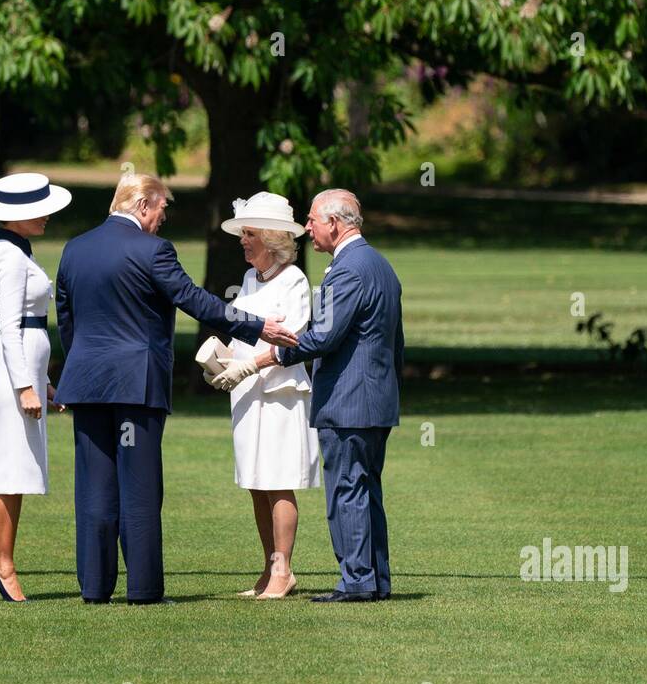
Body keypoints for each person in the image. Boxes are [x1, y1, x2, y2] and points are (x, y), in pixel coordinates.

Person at [52, 173, 298, 605]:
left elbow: (67, 318)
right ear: (143, 204)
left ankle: (94, 587)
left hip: (87, 384)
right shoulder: (153, 251)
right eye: (163, 208)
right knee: (141, 487)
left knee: (94, 487)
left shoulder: (75, 248)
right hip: (135, 384)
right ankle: (143, 589)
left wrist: (78, 371)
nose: (164, 218)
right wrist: (260, 327)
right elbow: (194, 300)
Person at [213, 189, 403, 603]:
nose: (309, 228)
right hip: (373, 397)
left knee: (348, 491)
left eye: (313, 220)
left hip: (350, 400)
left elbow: (322, 336)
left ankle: (357, 582)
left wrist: (269, 355)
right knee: (365, 489)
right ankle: (373, 579)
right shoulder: (378, 264)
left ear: (334, 222)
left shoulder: (347, 270)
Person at [213, 192, 320, 600]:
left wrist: (250, 364)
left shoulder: (293, 280)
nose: (242, 239)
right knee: (256, 480)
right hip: (245, 392)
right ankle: (268, 566)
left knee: (278, 479)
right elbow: (243, 330)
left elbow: (291, 341)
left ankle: (284, 569)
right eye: (243, 232)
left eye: (250, 233)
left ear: (272, 238)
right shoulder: (247, 279)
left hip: (279, 392)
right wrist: (224, 361)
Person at [0, 173, 72, 603]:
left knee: (18, 470)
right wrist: (25, 387)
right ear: (17, 217)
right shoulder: (10, 258)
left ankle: (4, 563)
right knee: (9, 469)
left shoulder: (16, 251)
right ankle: (2, 565)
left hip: (25, 369)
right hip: (15, 371)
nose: (48, 215)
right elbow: (11, 328)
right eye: (39, 209)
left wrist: (44, 384)